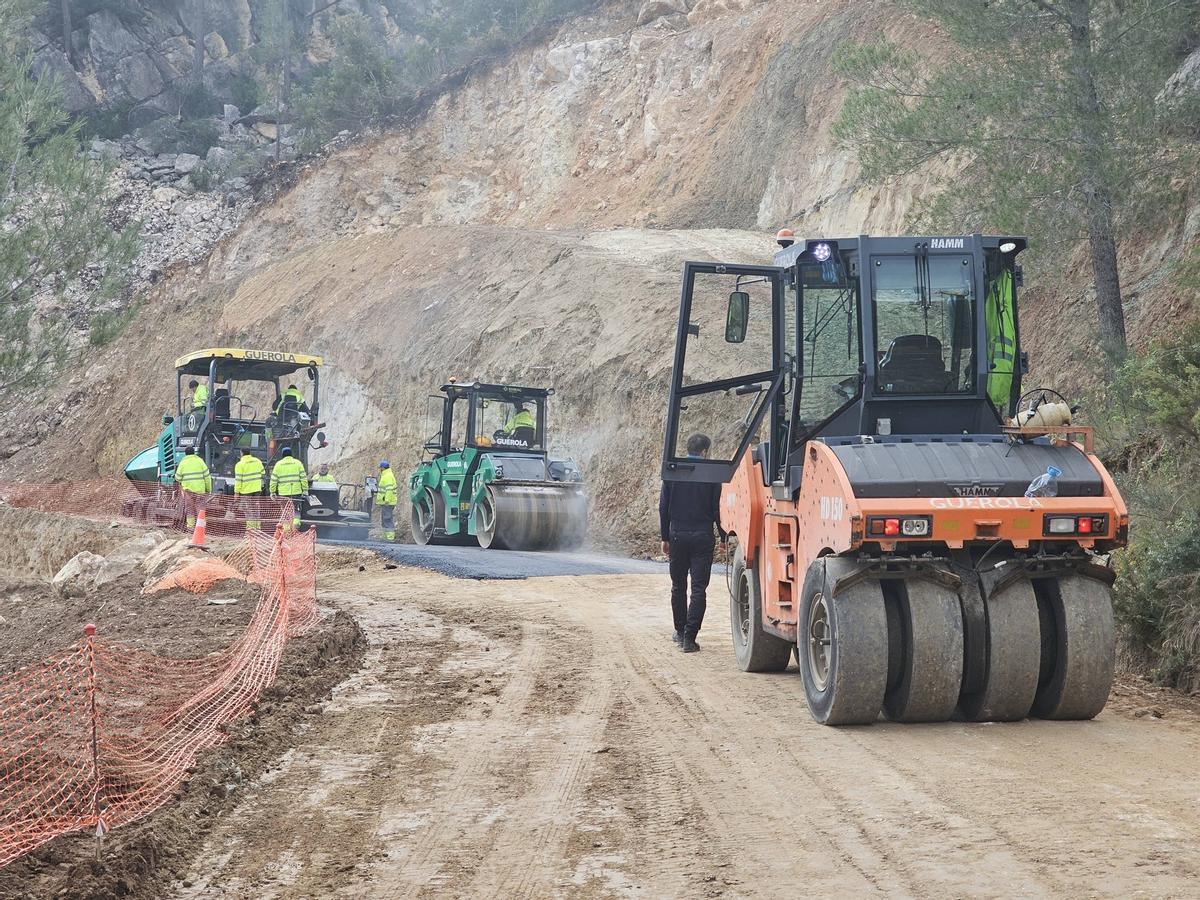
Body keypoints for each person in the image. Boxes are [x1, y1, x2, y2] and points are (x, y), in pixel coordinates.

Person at [659, 433, 724, 653]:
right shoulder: (712, 475)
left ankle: (679, 632)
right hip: (703, 536)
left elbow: (663, 506)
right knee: (698, 589)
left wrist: (664, 537)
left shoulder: (673, 471)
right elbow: (717, 509)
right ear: (705, 451)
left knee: (678, 586)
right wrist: (723, 536)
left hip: (677, 534)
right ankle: (689, 638)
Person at [269, 447, 309, 530]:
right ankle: (295, 529)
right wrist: (305, 490)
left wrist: (272, 492)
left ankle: (287, 531)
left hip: (283, 493)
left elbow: (273, 480)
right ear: (291, 454)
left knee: (285, 512)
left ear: (282, 455)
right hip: (296, 492)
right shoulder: (298, 463)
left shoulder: (278, 464)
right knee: (296, 511)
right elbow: (303, 478)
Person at [174, 446, 212, 530]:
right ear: (194, 453)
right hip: (200, 491)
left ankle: (190, 527)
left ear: (185, 454)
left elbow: (177, 478)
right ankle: (201, 528)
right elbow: (207, 477)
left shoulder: (183, 463)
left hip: (188, 491)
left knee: (190, 509)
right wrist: (208, 489)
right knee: (201, 509)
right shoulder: (200, 461)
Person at [233, 448, 265, 531]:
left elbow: (238, 480)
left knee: (248, 510)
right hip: (257, 489)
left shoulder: (240, 464)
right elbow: (263, 473)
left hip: (246, 491)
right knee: (256, 509)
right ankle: (258, 528)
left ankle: (251, 529)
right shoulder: (257, 461)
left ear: (241, 453)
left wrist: (236, 492)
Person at [376, 460, 398, 542]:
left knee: (387, 519)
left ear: (382, 468)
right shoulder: (386, 475)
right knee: (385, 520)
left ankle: (390, 537)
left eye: (380, 468)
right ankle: (386, 537)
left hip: (387, 502)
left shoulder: (387, 476)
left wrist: (387, 500)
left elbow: (389, 490)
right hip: (386, 502)